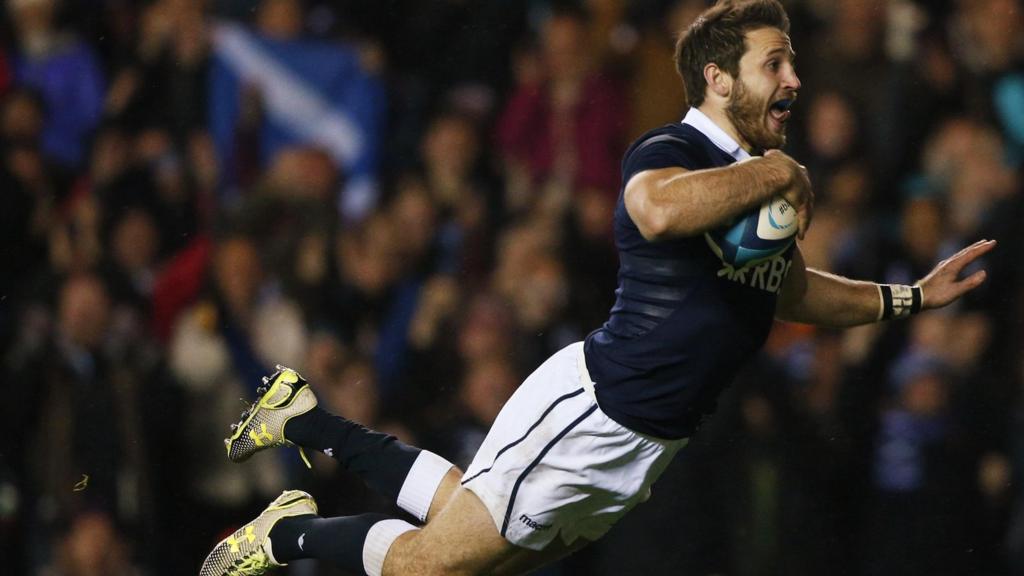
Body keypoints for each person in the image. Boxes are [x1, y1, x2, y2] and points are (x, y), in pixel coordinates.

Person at [198, 1, 996, 575]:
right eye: (773, 62)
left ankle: (306, 419)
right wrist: (773, 172)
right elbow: (651, 211)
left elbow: (786, 293)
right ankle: (285, 536)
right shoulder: (673, 147)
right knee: (428, 568)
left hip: (644, 445)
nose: (794, 76)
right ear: (718, 79)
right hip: (598, 407)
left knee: (461, 532)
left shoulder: (752, 187)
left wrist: (909, 298)